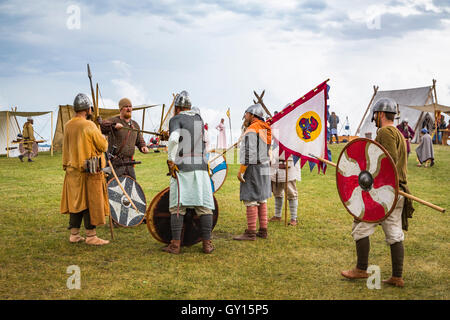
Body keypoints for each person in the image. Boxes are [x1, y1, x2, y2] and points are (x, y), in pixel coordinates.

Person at [341, 98, 414, 288]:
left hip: (383, 192)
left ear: (380, 114)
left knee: (361, 227)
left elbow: (385, 164)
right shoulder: (398, 132)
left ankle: (361, 268)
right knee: (394, 232)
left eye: (375, 114)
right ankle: (397, 276)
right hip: (396, 191)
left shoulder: (385, 132)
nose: (374, 117)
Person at [164, 90, 215, 254]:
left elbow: (173, 140)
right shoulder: (199, 119)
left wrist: (171, 160)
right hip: (201, 166)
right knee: (204, 206)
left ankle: (175, 245)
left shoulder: (176, 119)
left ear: (177, 108)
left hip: (182, 167)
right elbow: (203, 139)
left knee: (178, 207)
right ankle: (207, 244)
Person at [60, 93, 110, 246]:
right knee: (90, 202)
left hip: (71, 171)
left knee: (76, 203)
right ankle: (91, 235)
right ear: (88, 109)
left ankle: (74, 234)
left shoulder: (68, 125)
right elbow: (103, 146)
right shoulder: (89, 125)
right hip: (87, 171)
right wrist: (100, 132)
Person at [233, 104, 271, 241]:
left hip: (254, 167)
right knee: (262, 198)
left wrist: (242, 170)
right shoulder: (265, 127)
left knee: (251, 198)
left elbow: (249, 153)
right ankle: (263, 230)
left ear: (252, 115)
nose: (245, 117)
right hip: (265, 165)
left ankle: (250, 233)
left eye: (247, 114)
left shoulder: (252, 129)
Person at [99, 98, 149, 180]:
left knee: (132, 189)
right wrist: (114, 125)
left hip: (129, 164)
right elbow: (102, 125)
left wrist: (143, 146)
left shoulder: (135, 125)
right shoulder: (113, 120)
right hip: (115, 164)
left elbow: (139, 140)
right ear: (121, 109)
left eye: (130, 106)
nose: (129, 109)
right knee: (112, 188)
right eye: (126, 106)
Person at [269, 143, 301, 226]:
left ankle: (294, 218)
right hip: (275, 166)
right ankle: (277, 215)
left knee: (291, 193)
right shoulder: (275, 135)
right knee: (277, 193)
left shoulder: (292, 138)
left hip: (288, 166)